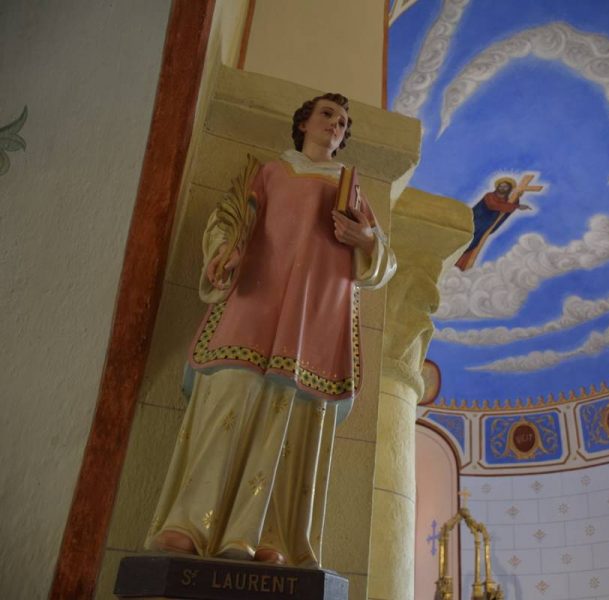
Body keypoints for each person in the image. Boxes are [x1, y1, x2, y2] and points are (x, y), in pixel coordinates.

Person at [145, 93, 396, 567]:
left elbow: (383, 261)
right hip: (254, 304)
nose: (336, 125)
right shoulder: (270, 172)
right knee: (229, 398)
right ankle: (190, 524)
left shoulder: (350, 189)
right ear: (303, 123)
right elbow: (228, 221)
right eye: (327, 114)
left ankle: (269, 537)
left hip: (316, 318)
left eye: (343, 122)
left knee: (292, 420)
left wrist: (365, 239)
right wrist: (223, 253)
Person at [454, 177, 532, 271]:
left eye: (505, 187)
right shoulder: (490, 196)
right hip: (476, 223)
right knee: (468, 243)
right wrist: (516, 206)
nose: (502, 188)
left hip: (486, 227)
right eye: (501, 186)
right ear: (497, 186)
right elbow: (493, 205)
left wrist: (517, 196)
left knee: (474, 245)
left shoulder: (508, 201)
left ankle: (461, 267)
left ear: (509, 189)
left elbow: (508, 207)